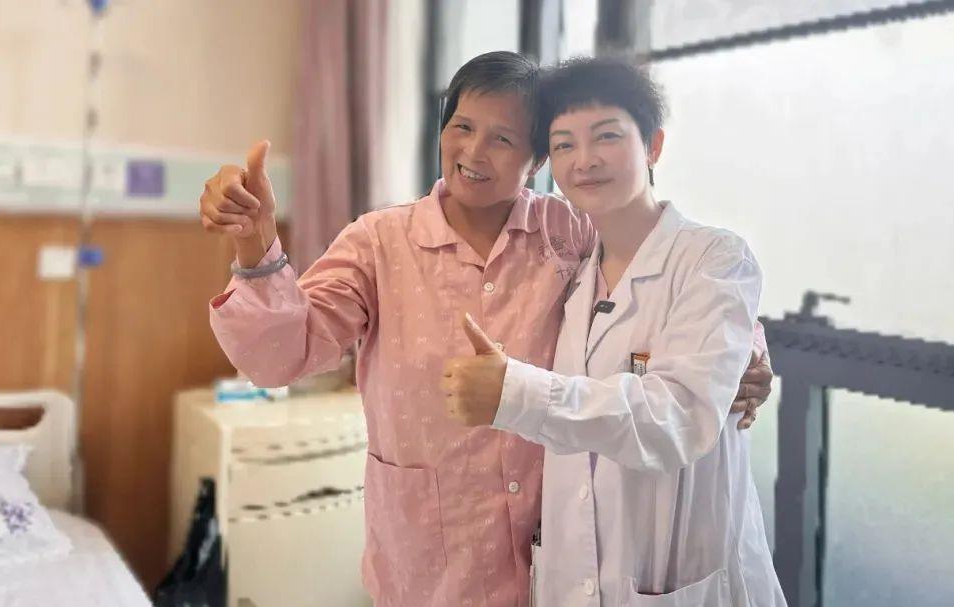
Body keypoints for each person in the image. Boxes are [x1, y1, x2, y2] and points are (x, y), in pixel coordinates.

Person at [199, 51, 773, 606]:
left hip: (557, 563)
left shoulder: (567, 231)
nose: (474, 152)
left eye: (502, 139)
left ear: (536, 160)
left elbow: (657, 275)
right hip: (431, 567)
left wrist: (746, 356)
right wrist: (255, 247)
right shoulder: (379, 242)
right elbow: (282, 354)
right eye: (462, 127)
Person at [445, 57, 786, 606]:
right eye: (563, 144)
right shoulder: (573, 273)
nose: (584, 160)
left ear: (653, 146)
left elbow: (678, 414)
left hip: (680, 575)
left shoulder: (714, 256)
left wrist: (513, 392)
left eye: (606, 136)